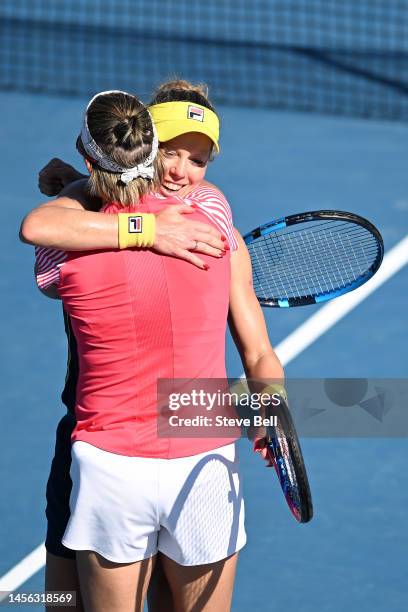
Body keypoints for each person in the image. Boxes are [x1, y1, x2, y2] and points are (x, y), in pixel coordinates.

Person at [21, 85, 284, 612]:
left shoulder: (64, 253)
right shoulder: (215, 222)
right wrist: (270, 411)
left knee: (59, 600)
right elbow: (258, 353)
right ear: (147, 146)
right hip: (199, 452)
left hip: (104, 460)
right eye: (170, 151)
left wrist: (75, 188)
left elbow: (39, 225)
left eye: (198, 159)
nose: (183, 169)